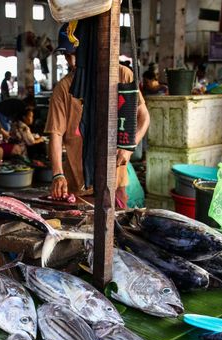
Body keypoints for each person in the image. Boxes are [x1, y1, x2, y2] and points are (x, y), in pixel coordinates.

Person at [45, 24, 149, 207]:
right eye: (67, 55)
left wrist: (129, 148)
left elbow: (143, 117)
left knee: (115, 229)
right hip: (78, 181)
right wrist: (58, 174)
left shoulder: (123, 75)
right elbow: (56, 134)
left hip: (115, 178)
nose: (72, 62)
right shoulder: (63, 88)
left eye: (76, 54)